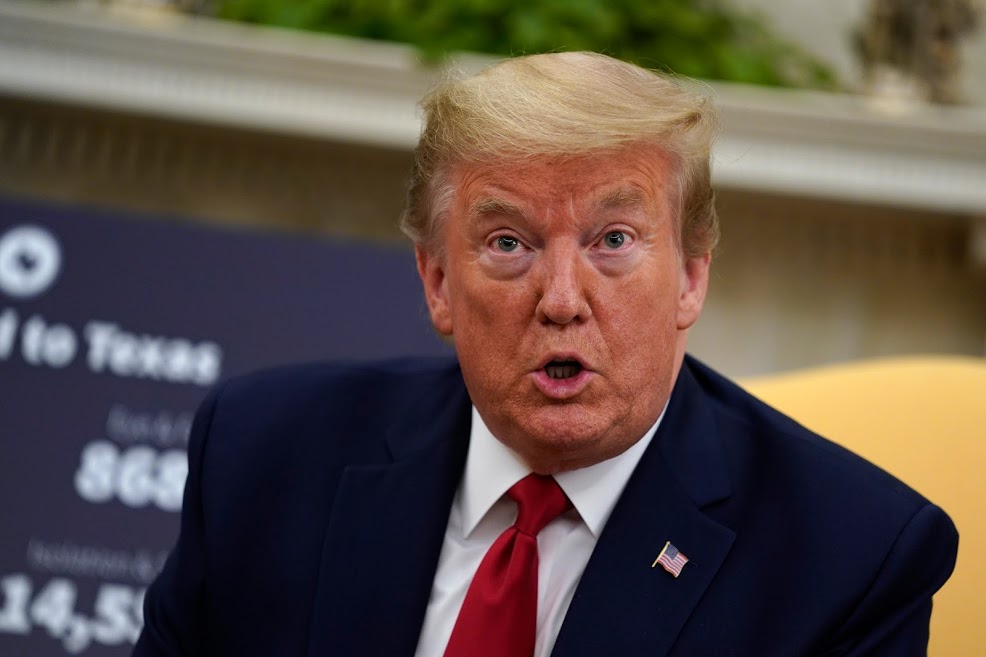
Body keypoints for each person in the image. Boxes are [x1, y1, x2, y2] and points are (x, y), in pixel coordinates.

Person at [133, 52, 958, 657]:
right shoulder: (263, 454)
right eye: (507, 242)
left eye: (614, 239)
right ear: (437, 282)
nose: (562, 297)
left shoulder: (853, 558)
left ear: (691, 278)